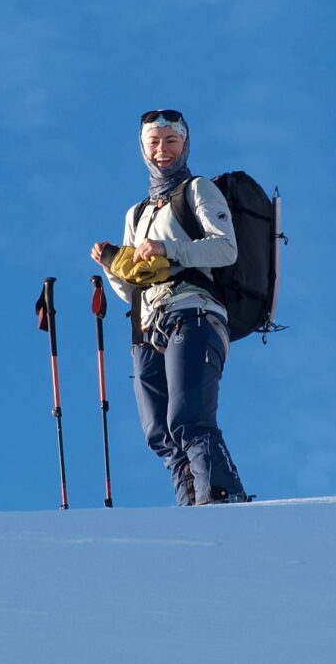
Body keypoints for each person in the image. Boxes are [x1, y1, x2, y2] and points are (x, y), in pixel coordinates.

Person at [90, 108, 247, 506]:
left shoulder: (197, 190)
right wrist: (113, 267)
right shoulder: (136, 213)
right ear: (142, 149)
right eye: (154, 142)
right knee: (160, 433)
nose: (162, 149)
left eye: (171, 141)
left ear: (185, 144)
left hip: (195, 312)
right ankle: (191, 510)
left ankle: (222, 500)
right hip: (148, 330)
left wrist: (168, 248)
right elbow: (133, 289)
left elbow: (226, 248)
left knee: (189, 418)